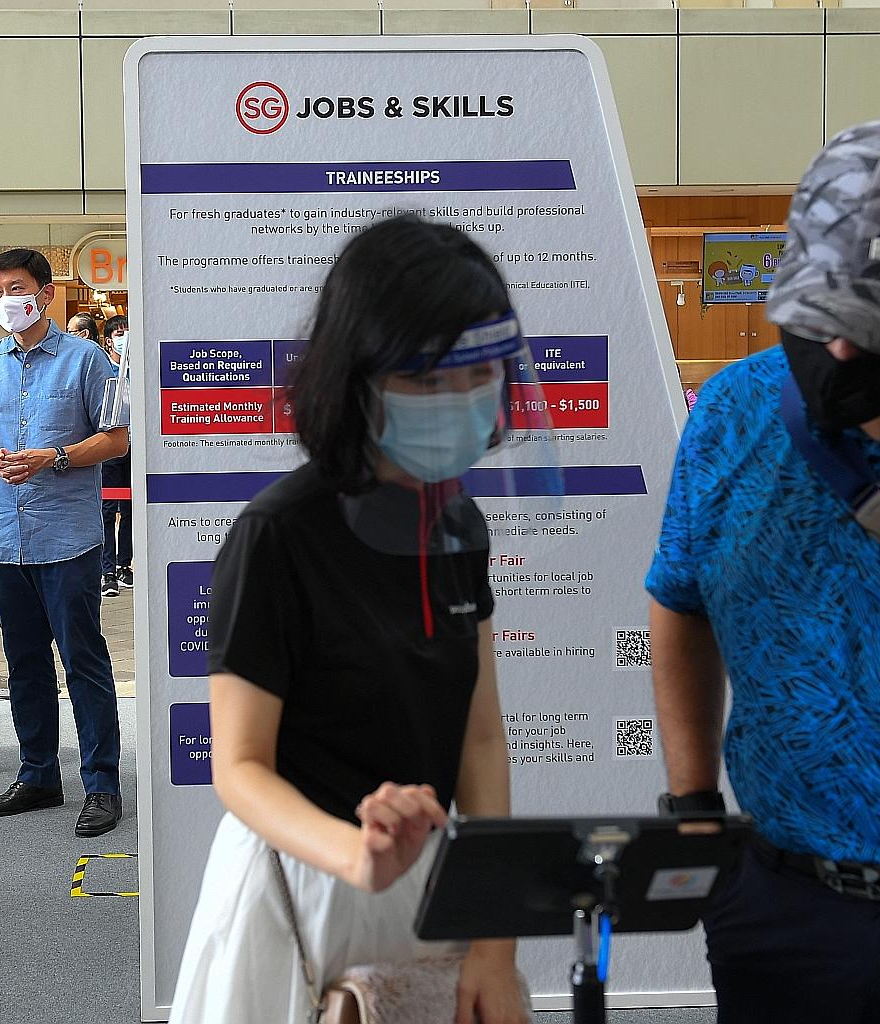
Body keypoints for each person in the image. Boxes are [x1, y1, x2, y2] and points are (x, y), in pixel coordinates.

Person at [647, 120, 880, 1021]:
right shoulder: (734, 415)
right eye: (821, 313)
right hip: (784, 912)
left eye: (876, 323)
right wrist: (693, 800)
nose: (842, 352)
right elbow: (680, 602)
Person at [169, 216, 530, 1024]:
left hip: (431, 887)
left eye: (476, 376)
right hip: (302, 888)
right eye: (427, 380)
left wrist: (495, 943)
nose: (460, 402)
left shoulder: (458, 524)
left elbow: (479, 738)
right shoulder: (277, 535)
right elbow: (241, 767)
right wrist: (355, 855)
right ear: (356, 375)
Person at [0, 248, 127, 838]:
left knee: (83, 660)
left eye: (17, 287)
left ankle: (101, 784)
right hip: (5, 537)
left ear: (46, 293)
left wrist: (56, 457)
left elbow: (117, 439)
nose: (6, 299)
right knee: (24, 663)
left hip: (68, 537)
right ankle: (38, 775)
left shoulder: (87, 360)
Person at [98, 314, 133, 597]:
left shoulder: (138, 370)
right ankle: (107, 569)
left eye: (127, 332)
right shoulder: (103, 370)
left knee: (131, 509)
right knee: (108, 510)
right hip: (110, 448)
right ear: (108, 340)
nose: (124, 338)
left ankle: (125, 564)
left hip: (135, 447)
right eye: (119, 333)